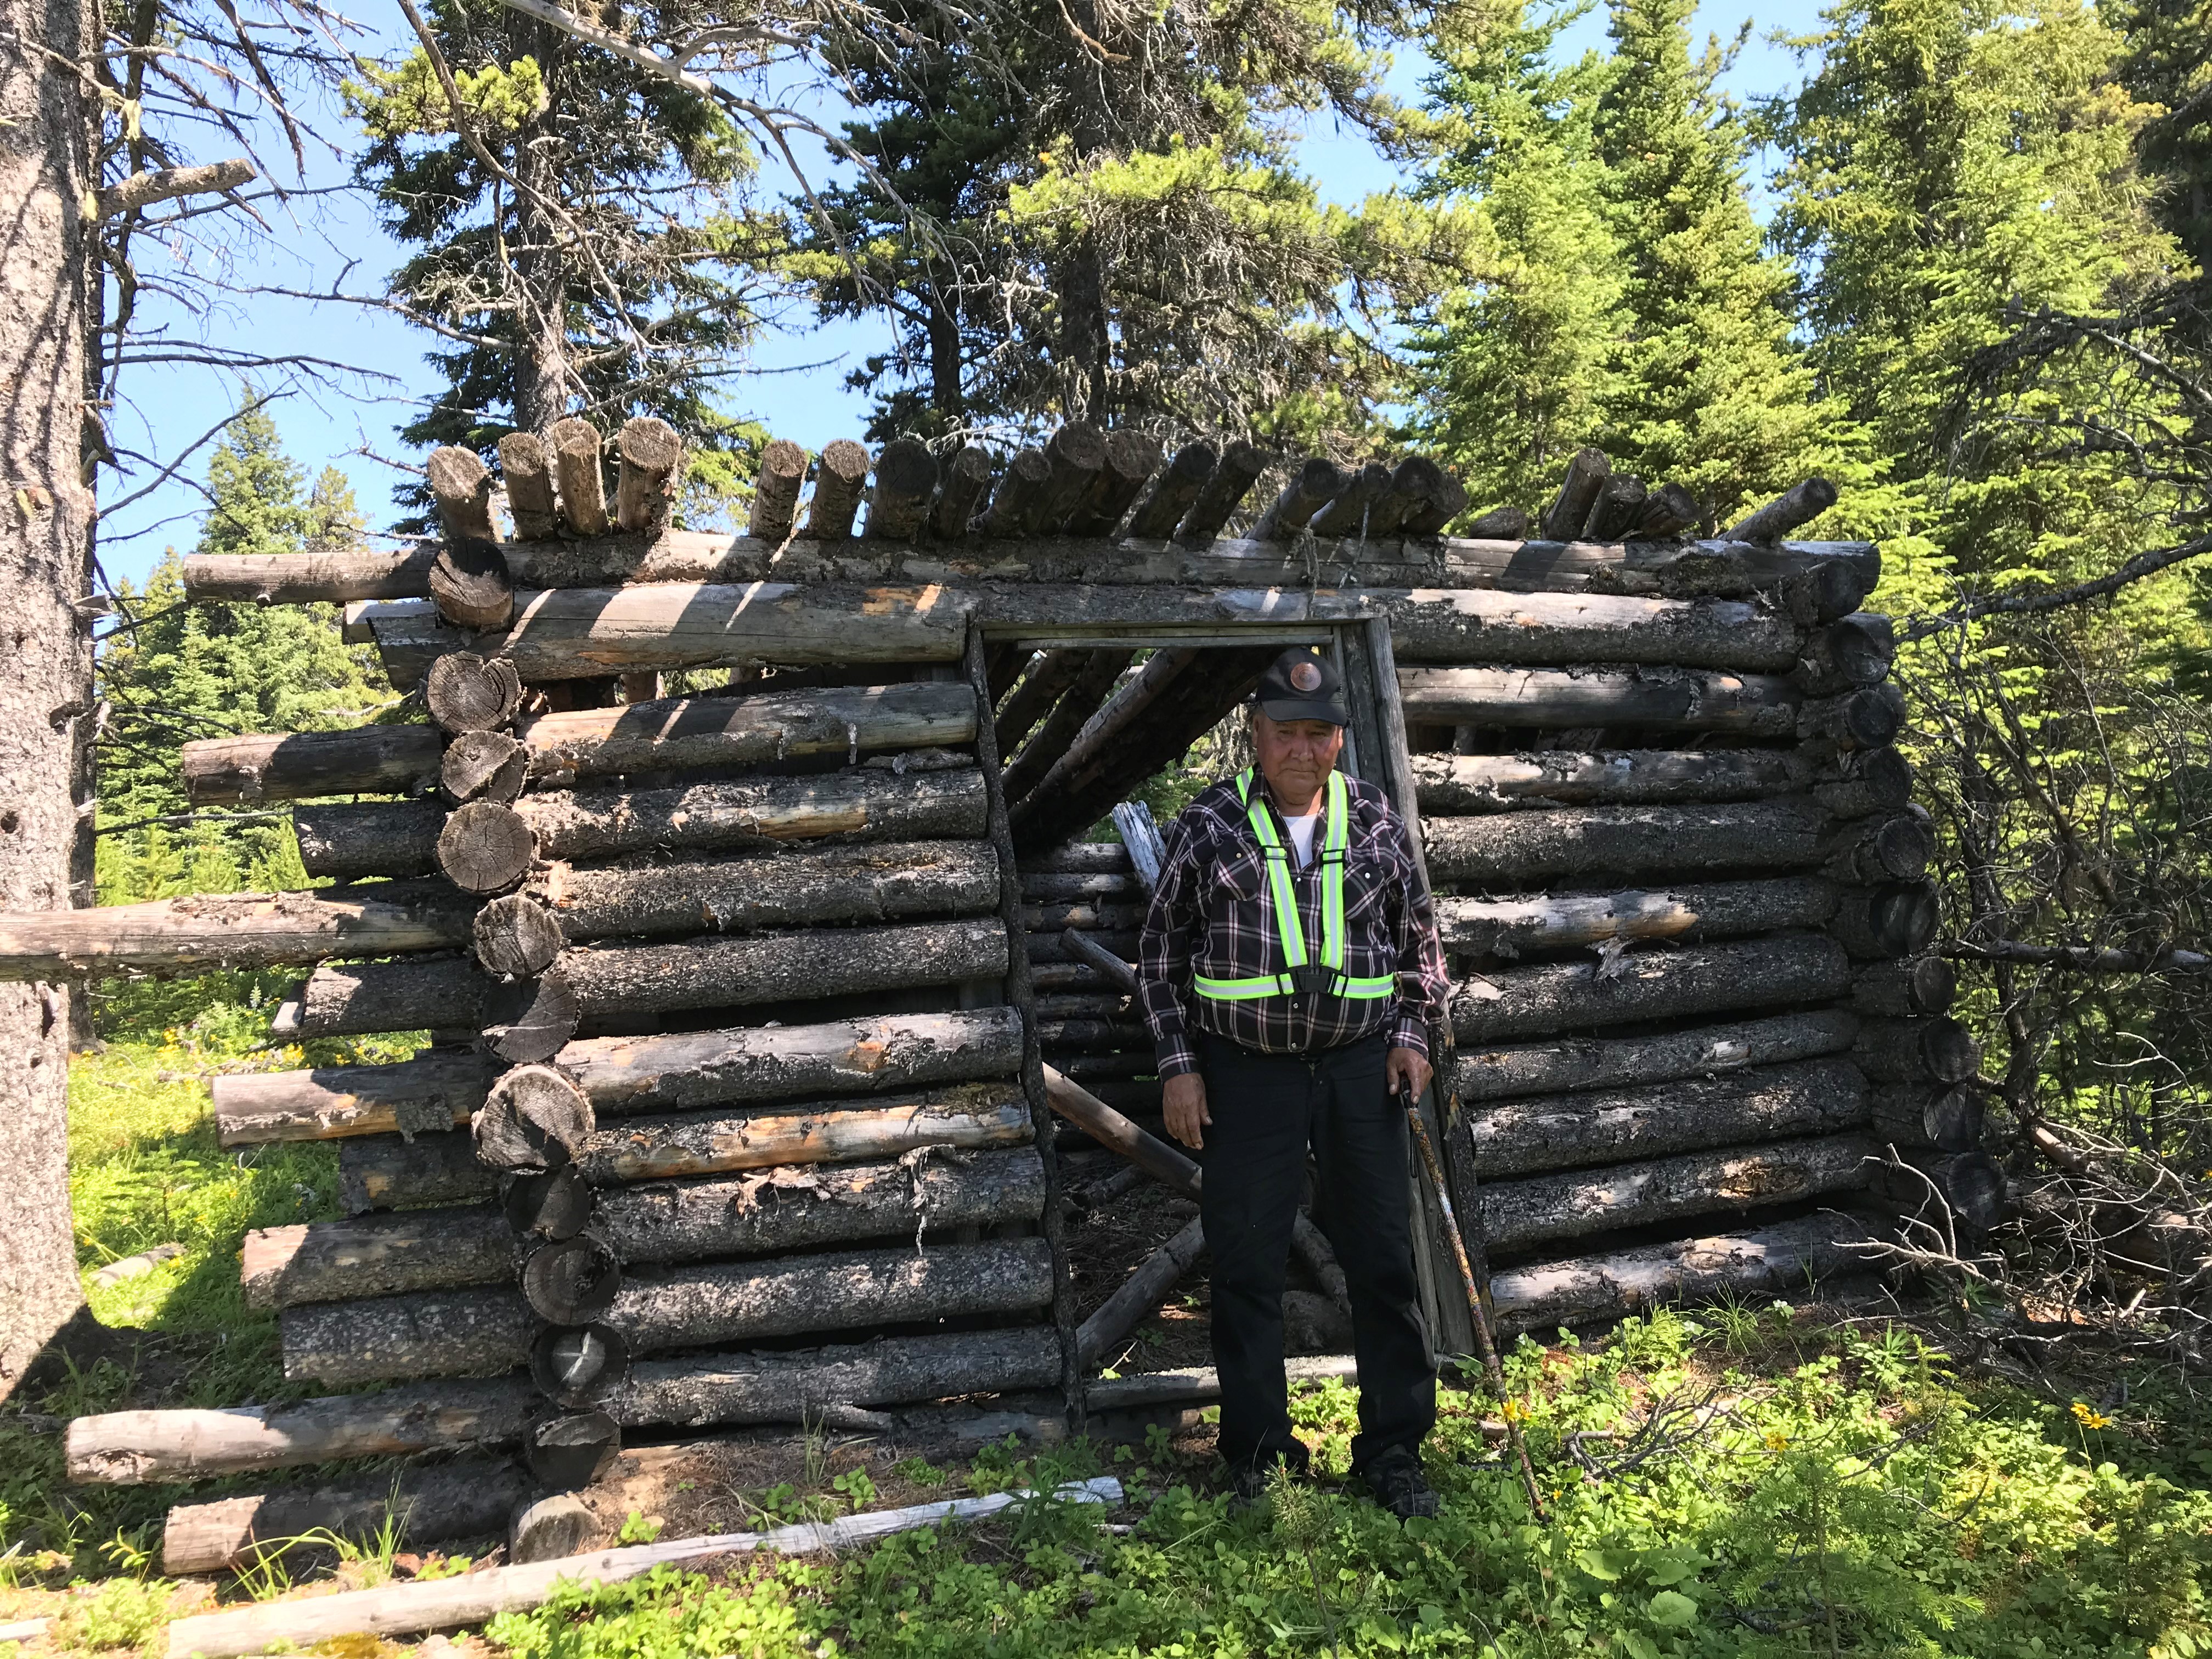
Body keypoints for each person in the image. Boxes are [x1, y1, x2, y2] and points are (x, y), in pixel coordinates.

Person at [1135, 645, 1449, 1519]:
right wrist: (1178, 1067)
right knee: (1245, 1266)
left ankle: (1393, 1453)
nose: (1301, 750)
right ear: (1255, 734)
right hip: (1246, 1079)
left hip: (1360, 1073)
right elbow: (1158, 960)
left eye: (1318, 734)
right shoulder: (1208, 825)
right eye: (1285, 733)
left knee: (1384, 1262)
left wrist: (1413, 1038)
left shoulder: (1378, 821)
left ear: (1341, 741)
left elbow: (1421, 948)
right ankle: (1262, 1459)